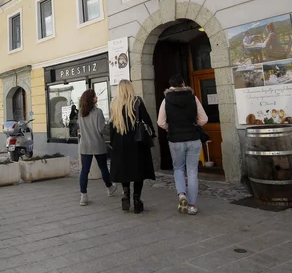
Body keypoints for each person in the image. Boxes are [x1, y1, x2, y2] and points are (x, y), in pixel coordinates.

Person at [157, 74, 208, 216]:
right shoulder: (193, 97)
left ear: (171, 86)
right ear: (183, 84)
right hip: (193, 137)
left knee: (178, 168)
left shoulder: (166, 100)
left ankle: (182, 196)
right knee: (192, 171)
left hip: (175, 139)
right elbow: (204, 119)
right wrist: (194, 124)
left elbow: (160, 122)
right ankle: (192, 205)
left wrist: (169, 127)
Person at [109, 80, 156, 214]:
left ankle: (126, 196)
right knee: (138, 171)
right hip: (137, 141)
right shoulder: (137, 101)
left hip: (120, 141)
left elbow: (111, 126)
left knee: (124, 170)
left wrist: (111, 142)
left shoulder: (115, 103)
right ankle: (137, 200)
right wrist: (152, 135)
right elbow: (146, 120)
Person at [78, 89, 117, 206]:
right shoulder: (98, 112)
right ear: (91, 99)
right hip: (97, 144)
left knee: (84, 170)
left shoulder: (81, 112)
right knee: (103, 168)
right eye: (95, 96)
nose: (97, 98)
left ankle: (83, 196)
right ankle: (109, 188)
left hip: (85, 145)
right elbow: (101, 129)